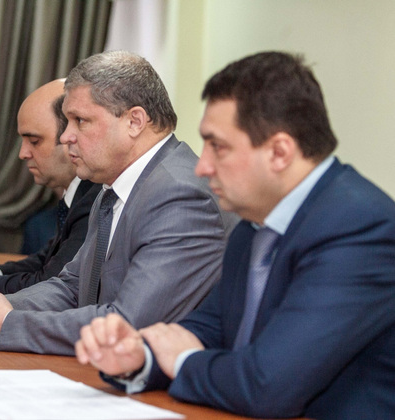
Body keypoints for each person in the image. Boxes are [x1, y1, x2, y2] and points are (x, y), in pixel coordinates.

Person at [75, 51, 395, 420]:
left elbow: (267, 385)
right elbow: (210, 328)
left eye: (218, 147)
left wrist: (183, 360)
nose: (202, 166)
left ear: (279, 152)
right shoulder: (254, 225)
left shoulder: (360, 229)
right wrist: (140, 356)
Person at [0, 50, 236, 355]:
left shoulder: (180, 196)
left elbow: (129, 324)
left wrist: (7, 324)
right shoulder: (113, 188)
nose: (66, 136)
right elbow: (71, 287)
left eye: (80, 121)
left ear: (134, 121)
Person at [0, 79, 101, 294]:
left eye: (34, 141)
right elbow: (47, 259)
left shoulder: (95, 198)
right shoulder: (81, 192)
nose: (23, 153)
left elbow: (52, 282)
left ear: (71, 137)